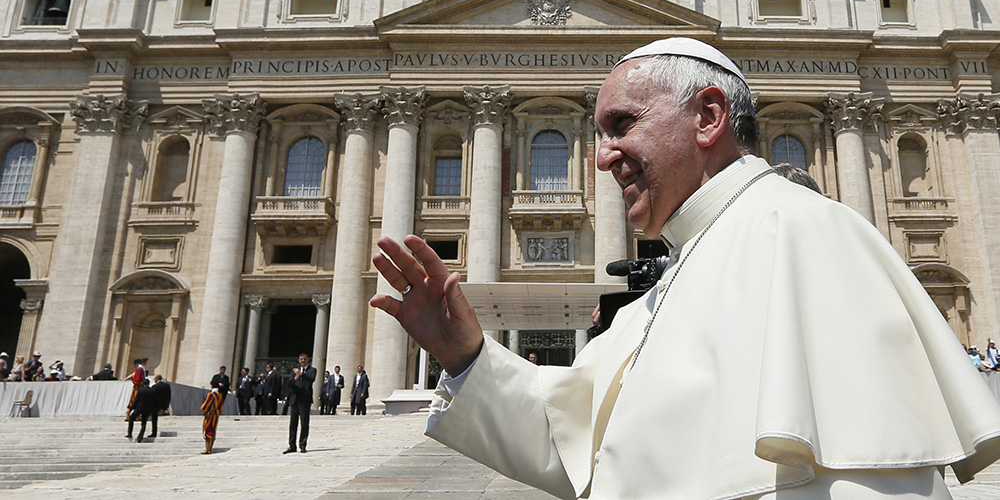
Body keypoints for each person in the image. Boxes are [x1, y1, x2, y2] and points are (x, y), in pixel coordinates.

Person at [370, 36, 1000, 500]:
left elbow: (866, 478)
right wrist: (467, 358)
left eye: (622, 125)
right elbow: (577, 441)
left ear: (708, 117)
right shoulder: (670, 281)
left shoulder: (798, 229)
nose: (602, 158)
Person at [283, 352, 316, 454]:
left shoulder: (312, 370)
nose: (302, 360)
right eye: (301, 359)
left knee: (304, 423)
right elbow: (289, 384)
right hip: (295, 399)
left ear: (307, 360)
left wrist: (302, 374)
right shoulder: (294, 371)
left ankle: (303, 445)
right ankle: (292, 445)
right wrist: (295, 378)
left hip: (305, 399)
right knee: (293, 423)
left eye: (304, 359)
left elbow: (312, 379)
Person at [126, 378, 156, 442]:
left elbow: (136, 401)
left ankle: (129, 433)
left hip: (139, 408)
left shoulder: (140, 390)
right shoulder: (153, 391)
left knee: (131, 419)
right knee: (144, 423)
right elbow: (154, 402)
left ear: (143, 383)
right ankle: (140, 437)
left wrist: (130, 409)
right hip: (147, 409)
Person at [200, 386, 224, 454]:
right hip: (216, 413)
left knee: (208, 430)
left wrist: (205, 411)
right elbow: (221, 406)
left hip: (210, 413)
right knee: (213, 430)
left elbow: (207, 404)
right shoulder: (220, 395)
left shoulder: (211, 394)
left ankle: (208, 449)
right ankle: (210, 447)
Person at [149, 374, 171, 438]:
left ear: (156, 379)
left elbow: (152, 397)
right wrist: (166, 405)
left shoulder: (155, 386)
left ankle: (154, 432)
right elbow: (168, 396)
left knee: (154, 419)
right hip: (164, 404)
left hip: (155, 404)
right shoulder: (167, 385)